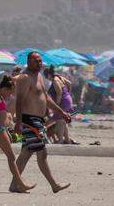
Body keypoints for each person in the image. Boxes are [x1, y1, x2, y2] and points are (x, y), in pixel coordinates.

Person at [11, 51, 70, 193]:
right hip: (29, 120)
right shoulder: (25, 78)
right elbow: (19, 101)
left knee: (27, 152)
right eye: (36, 61)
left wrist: (61, 112)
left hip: (38, 120)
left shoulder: (39, 76)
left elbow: (46, 98)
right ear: (29, 62)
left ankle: (15, 184)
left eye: (40, 60)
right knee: (41, 153)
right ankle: (54, 185)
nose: (40, 63)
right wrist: (18, 123)